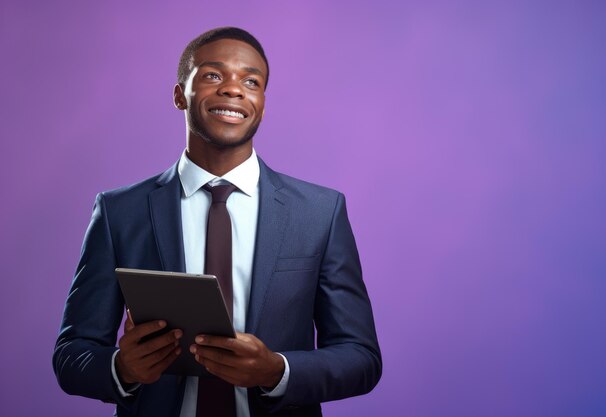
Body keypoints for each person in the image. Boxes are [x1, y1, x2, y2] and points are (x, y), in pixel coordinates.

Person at [53, 27, 381, 417]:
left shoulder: (320, 212)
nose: (233, 89)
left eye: (251, 81)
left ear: (261, 102)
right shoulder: (119, 211)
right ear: (180, 95)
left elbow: (361, 358)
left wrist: (277, 370)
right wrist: (122, 369)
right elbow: (72, 354)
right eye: (212, 75)